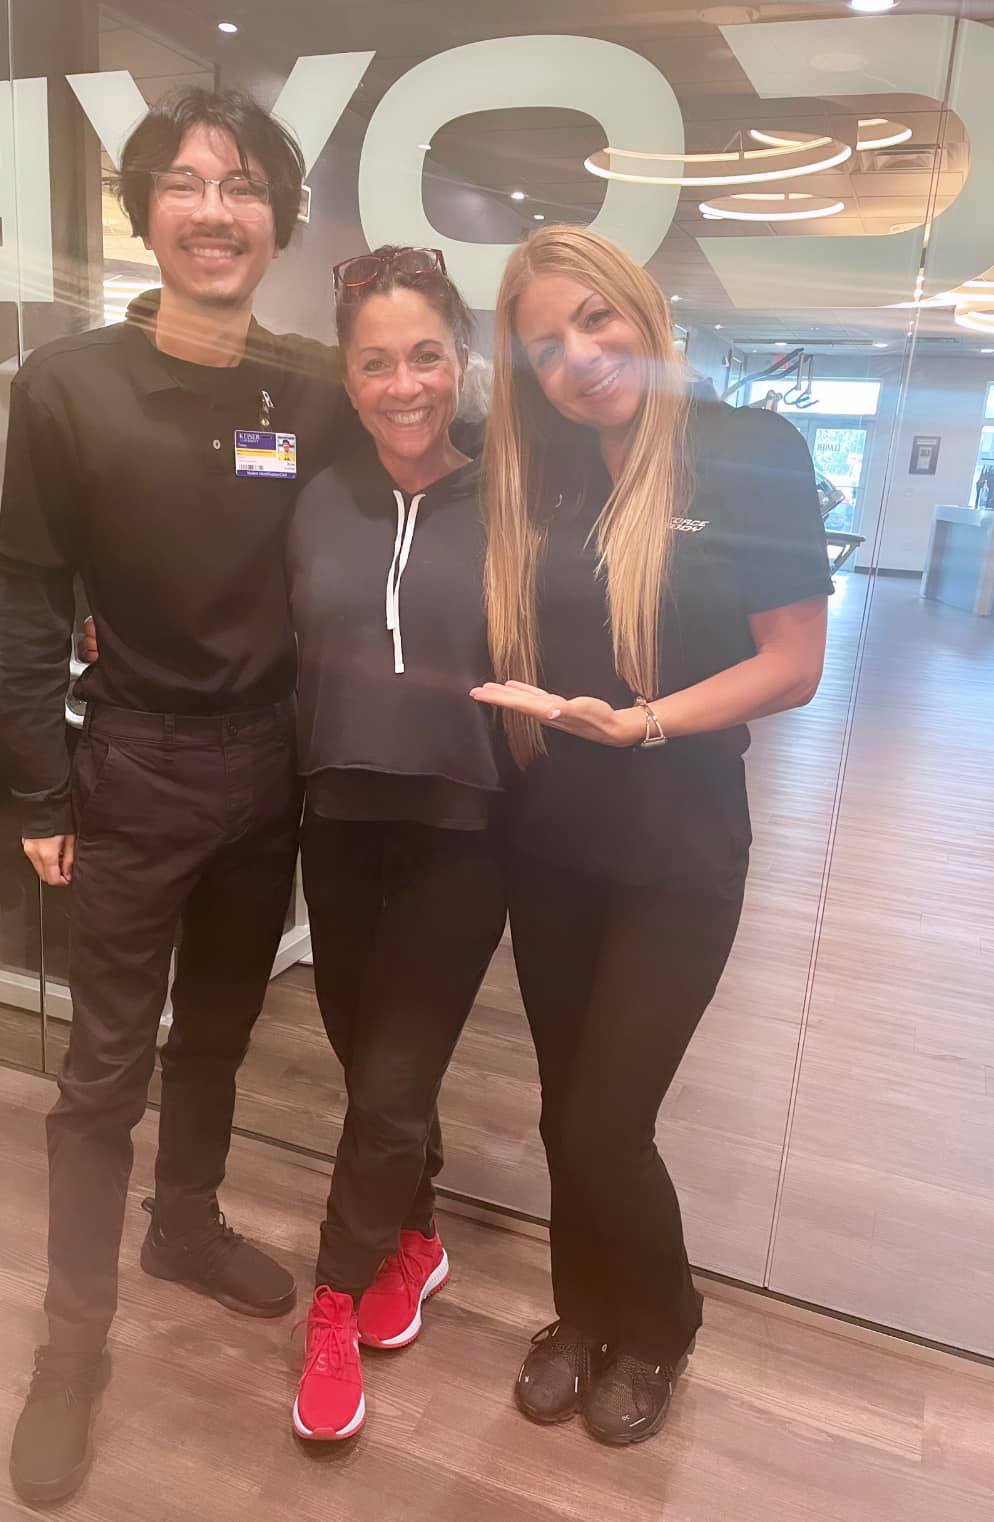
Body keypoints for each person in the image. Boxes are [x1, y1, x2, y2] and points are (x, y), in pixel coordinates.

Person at [0, 86, 354, 1505]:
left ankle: (185, 1223)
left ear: (280, 219)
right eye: (187, 184)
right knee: (101, 1076)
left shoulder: (311, 390)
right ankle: (67, 1345)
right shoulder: (69, 385)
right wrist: (38, 783)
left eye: (244, 185)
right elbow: (31, 593)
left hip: (269, 768)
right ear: (143, 212)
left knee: (218, 1029)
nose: (215, 210)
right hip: (131, 764)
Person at [471, 226, 833, 1445]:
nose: (580, 357)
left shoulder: (749, 450)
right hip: (552, 844)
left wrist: (645, 722)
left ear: (642, 309)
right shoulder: (547, 475)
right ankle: (582, 1315)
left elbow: (794, 663)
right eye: (545, 346)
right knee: (561, 1106)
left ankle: (663, 1322)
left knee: (605, 1120)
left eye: (596, 319)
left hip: (680, 847)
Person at [285, 248, 505, 1442]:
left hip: (462, 829)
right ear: (348, 375)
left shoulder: (515, 500)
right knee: (369, 1061)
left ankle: (332, 1299)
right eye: (377, 362)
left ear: (459, 361)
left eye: (426, 355)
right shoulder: (316, 496)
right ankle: (416, 1235)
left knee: (389, 1081)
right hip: (338, 819)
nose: (404, 383)